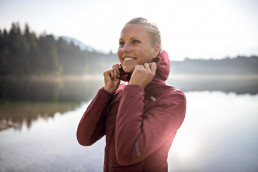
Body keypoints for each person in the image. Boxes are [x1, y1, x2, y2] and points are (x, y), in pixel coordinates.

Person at [77, 17, 186, 172]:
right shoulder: (122, 91)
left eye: (135, 41)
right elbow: (84, 138)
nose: (125, 49)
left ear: (156, 49)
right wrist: (106, 93)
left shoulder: (172, 99)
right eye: (121, 43)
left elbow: (127, 153)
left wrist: (134, 88)